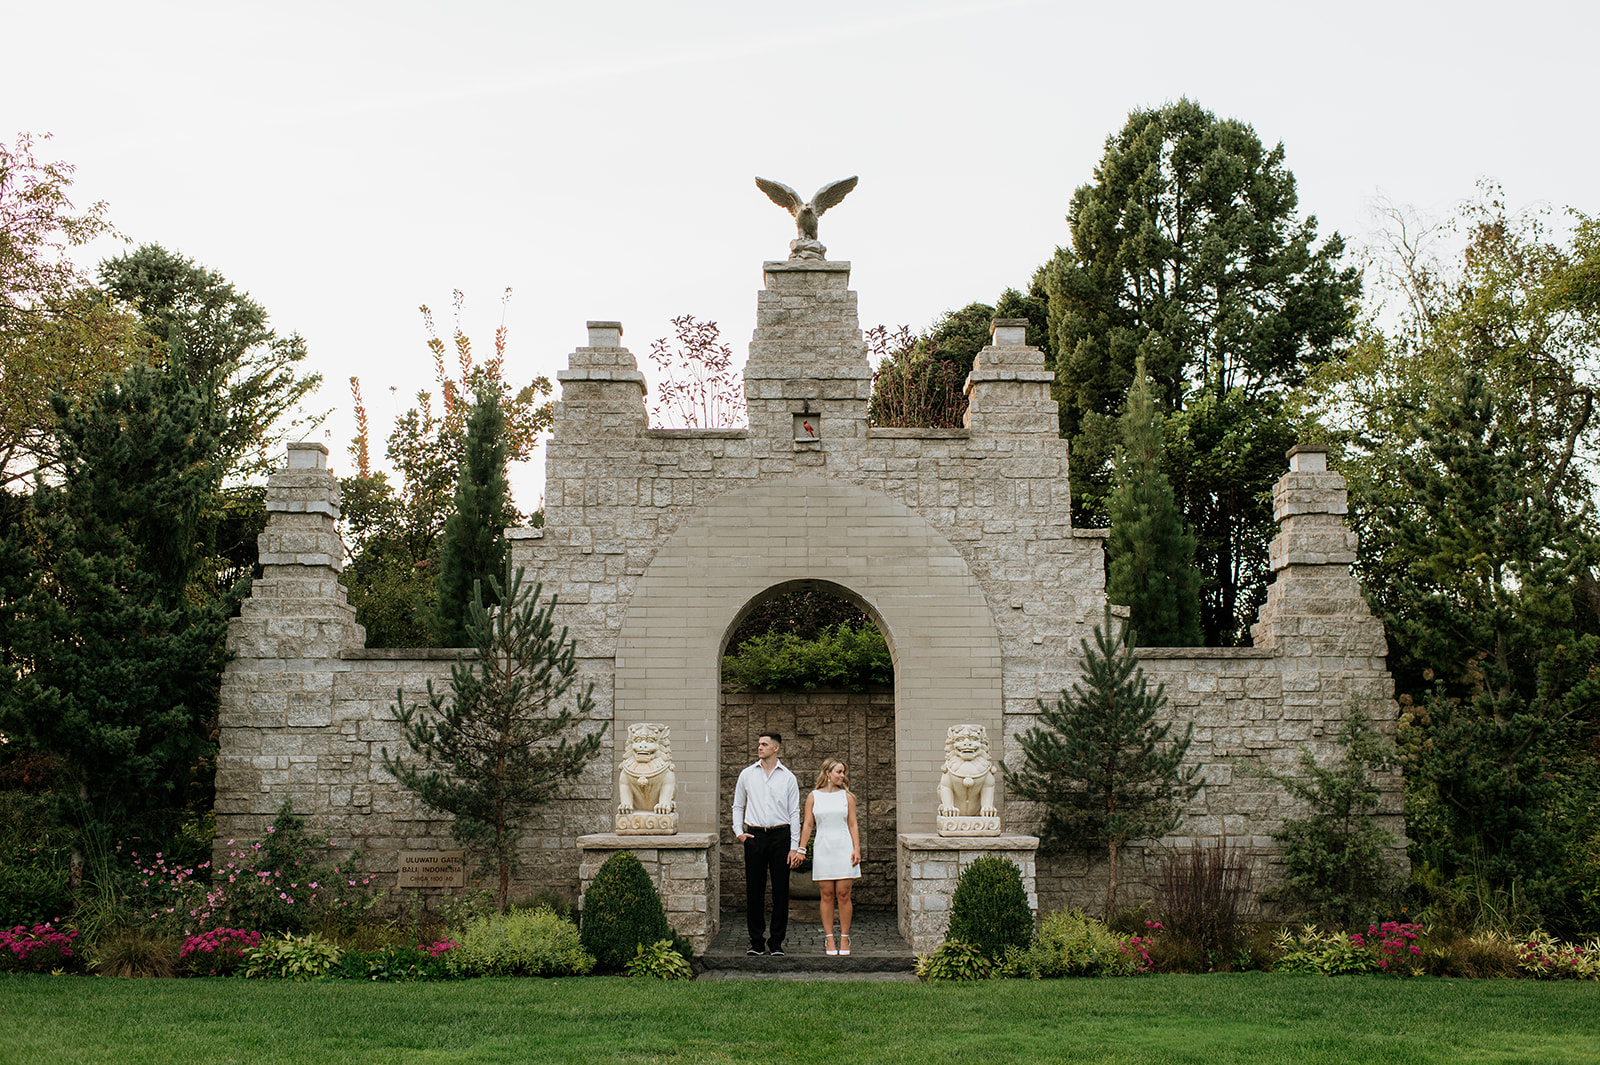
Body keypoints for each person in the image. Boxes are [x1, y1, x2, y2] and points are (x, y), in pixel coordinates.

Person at [731, 732, 802, 956]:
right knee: (754, 889)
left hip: (781, 836)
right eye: (759, 743)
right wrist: (739, 833)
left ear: (776, 748)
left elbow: (794, 813)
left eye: (764, 744)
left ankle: (777, 943)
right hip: (754, 837)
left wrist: (794, 846)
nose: (759, 747)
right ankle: (756, 942)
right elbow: (737, 806)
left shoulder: (788, 777)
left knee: (781, 890)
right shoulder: (747, 774)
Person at [797, 757, 861, 957]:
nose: (842, 776)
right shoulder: (813, 796)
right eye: (839, 772)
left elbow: (853, 824)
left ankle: (844, 937)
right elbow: (808, 824)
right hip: (823, 848)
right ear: (828, 773)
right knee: (826, 895)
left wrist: (857, 848)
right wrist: (801, 848)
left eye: (843, 772)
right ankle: (829, 938)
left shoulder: (847, 797)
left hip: (844, 848)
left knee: (843, 894)